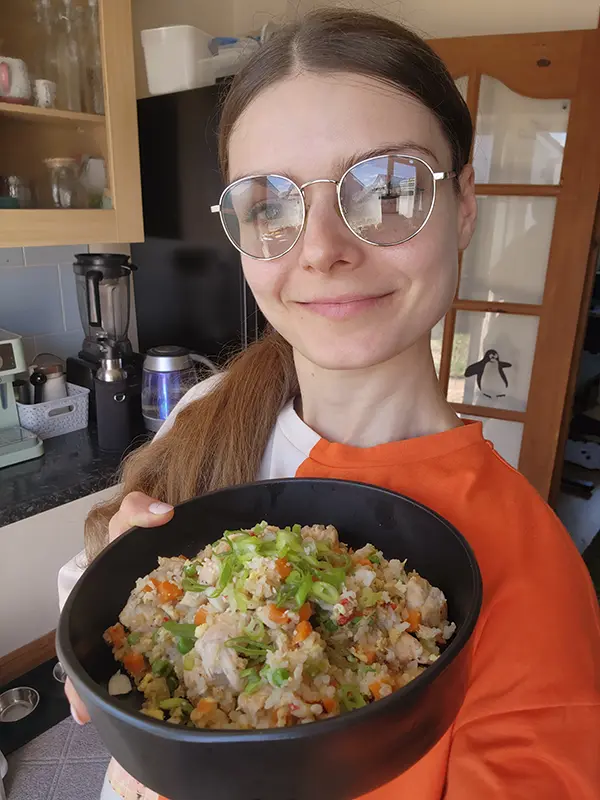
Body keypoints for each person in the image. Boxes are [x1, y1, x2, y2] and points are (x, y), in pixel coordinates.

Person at [58, 9, 600, 800]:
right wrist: (101, 607)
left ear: (465, 207)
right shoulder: (210, 406)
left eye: (388, 188)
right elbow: (95, 569)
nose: (320, 248)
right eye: (270, 203)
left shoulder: (531, 580)